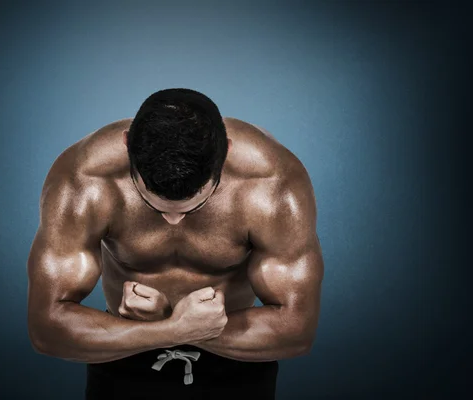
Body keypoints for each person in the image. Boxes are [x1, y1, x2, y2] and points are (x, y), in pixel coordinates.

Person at [27, 88, 324, 399]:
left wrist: (166, 325)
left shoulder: (271, 184)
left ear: (226, 154)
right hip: (118, 353)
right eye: (154, 205)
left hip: (241, 358)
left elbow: (297, 330)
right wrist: (172, 330)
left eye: (192, 206)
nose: (172, 221)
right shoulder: (86, 179)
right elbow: (46, 328)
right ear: (128, 146)